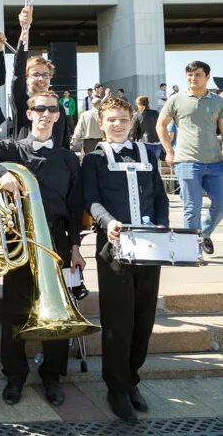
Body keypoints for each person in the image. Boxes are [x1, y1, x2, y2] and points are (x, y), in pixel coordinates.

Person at [0, 91, 85, 407]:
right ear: (29, 114)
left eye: (51, 110)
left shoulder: (69, 158)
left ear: (58, 116)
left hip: (56, 239)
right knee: (15, 310)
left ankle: (52, 377)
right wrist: (2, 173)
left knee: (56, 311)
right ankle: (14, 376)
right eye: (39, 109)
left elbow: (75, 208)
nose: (45, 114)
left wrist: (75, 246)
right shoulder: (11, 148)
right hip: (19, 238)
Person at [82, 97, 169, 423]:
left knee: (144, 319)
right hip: (114, 251)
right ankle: (116, 388)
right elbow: (91, 200)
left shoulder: (149, 153)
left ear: (132, 121)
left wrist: (161, 226)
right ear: (101, 123)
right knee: (119, 322)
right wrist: (108, 223)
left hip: (150, 248)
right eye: (111, 120)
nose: (117, 125)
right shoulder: (93, 159)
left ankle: (132, 379)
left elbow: (159, 195)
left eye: (123, 119)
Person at [157, 61, 223, 255]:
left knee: (221, 203)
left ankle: (203, 234)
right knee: (192, 206)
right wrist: (169, 151)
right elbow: (161, 125)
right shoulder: (176, 99)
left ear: (207, 77)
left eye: (198, 75)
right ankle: (190, 250)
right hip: (186, 161)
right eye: (190, 75)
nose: (193, 78)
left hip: (215, 162)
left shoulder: (218, 101)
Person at [10, 7, 71, 148]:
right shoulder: (21, 101)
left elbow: (64, 143)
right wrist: (25, 29)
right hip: (24, 164)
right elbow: (18, 71)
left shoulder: (58, 108)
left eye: (45, 75)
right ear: (26, 78)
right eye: (36, 74)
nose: (41, 79)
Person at [131, 96, 162, 160]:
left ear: (139, 104)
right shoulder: (156, 113)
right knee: (154, 164)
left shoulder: (137, 115)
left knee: (145, 166)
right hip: (157, 144)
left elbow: (133, 132)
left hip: (144, 144)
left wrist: (130, 142)